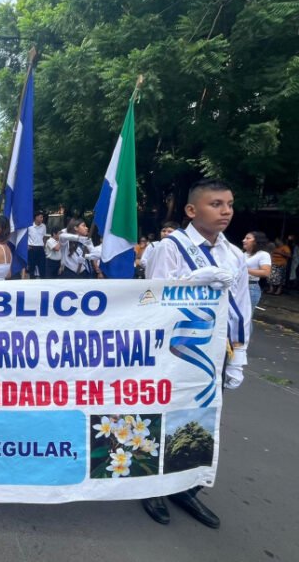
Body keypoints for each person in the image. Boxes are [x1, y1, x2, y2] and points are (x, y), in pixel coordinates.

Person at [142, 178, 250, 529]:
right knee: (162, 415)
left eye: (229, 204)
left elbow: (241, 307)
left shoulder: (233, 254)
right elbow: (152, 301)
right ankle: (152, 486)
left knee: (199, 418)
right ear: (192, 210)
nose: (226, 211)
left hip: (213, 354)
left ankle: (184, 485)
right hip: (173, 352)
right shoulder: (170, 248)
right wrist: (191, 285)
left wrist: (240, 355)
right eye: (216, 204)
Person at [243, 231, 271, 315]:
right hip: (238, 286)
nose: (244, 240)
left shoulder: (263, 255)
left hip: (250, 288)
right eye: (244, 238)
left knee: (245, 317)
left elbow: (266, 272)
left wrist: (244, 269)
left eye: (248, 238)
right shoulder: (243, 254)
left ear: (256, 242)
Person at [27, 211, 47, 278]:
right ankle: (32, 281)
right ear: (36, 217)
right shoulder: (30, 226)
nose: (42, 219)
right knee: (31, 267)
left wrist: (43, 246)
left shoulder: (43, 226)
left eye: (42, 217)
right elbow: (26, 237)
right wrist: (27, 245)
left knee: (42, 266)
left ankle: (42, 281)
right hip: (32, 248)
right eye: (40, 217)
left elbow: (44, 237)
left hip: (40, 248)